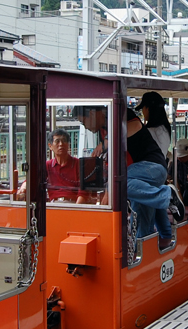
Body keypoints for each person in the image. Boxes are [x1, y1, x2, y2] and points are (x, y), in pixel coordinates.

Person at [76, 106, 182, 247]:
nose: (86, 127)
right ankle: (148, 251)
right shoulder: (103, 130)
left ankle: (167, 196)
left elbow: (135, 125)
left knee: (119, 184)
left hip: (151, 167)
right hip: (138, 177)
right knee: (142, 217)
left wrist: (106, 142)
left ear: (91, 113)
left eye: (84, 123)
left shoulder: (119, 113)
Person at [45, 128, 89, 203]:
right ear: (50, 146)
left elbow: (84, 192)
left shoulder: (78, 164)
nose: (61, 144)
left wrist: (76, 210)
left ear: (68, 144)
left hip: (73, 205)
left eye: (64, 141)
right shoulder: (47, 165)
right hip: (54, 205)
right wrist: (23, 187)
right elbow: (33, 180)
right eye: (57, 141)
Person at [136, 91, 172, 159]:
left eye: (143, 108)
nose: (143, 112)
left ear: (148, 109)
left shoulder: (148, 132)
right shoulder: (165, 129)